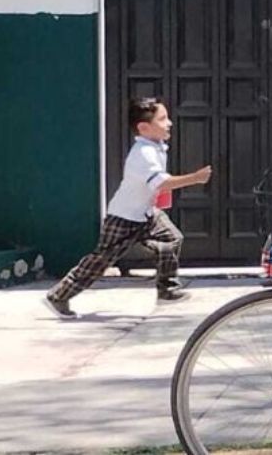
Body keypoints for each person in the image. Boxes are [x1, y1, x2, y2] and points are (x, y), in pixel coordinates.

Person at [43, 97, 212, 318]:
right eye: (162, 119)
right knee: (100, 261)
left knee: (171, 238)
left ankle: (167, 290)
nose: (169, 123)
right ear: (144, 127)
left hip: (147, 214)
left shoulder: (156, 147)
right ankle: (58, 296)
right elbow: (160, 182)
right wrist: (195, 178)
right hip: (124, 218)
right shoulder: (143, 154)